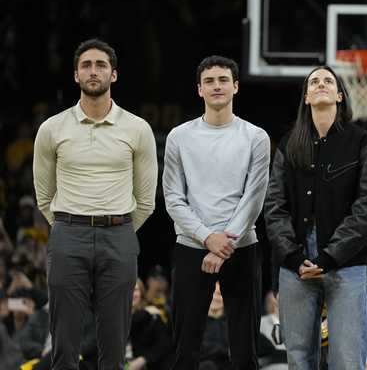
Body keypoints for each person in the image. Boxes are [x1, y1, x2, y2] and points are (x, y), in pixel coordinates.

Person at [33, 38, 158, 369]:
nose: (93, 71)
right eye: (86, 65)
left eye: (101, 65)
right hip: (67, 234)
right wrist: (68, 226)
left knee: (115, 343)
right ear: (76, 75)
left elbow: (146, 200)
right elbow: (44, 196)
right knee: (64, 341)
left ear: (113, 75)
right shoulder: (51, 128)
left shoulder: (138, 129)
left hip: (118, 234)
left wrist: (119, 228)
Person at [265, 65, 367, 369]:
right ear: (306, 97)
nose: (321, 84)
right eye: (314, 81)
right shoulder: (289, 145)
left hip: (346, 264)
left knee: (347, 360)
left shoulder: (363, 142)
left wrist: (330, 256)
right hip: (296, 266)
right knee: (299, 360)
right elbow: (274, 205)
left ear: (340, 95)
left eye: (328, 81)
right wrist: (292, 257)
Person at [163, 55, 270, 369]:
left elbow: (254, 197)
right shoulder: (179, 137)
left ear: (235, 86)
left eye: (223, 80)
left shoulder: (256, 137)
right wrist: (208, 237)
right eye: (209, 81)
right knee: (185, 348)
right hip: (192, 246)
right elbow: (172, 198)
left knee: (245, 350)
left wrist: (224, 244)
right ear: (199, 90)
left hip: (242, 247)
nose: (217, 86)